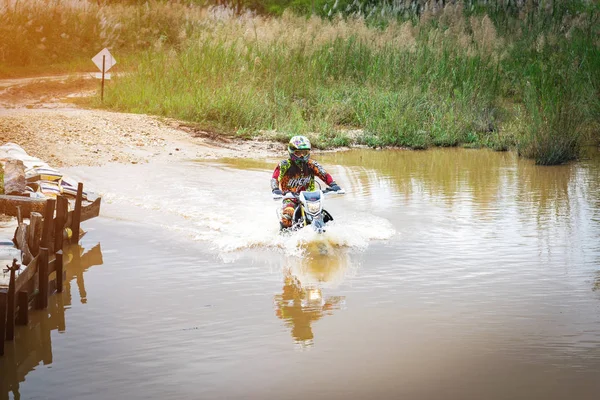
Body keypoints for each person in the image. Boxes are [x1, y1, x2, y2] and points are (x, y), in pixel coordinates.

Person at [271, 135, 342, 230]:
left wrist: (333, 185)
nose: (302, 156)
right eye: (298, 153)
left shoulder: (312, 164)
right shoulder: (284, 165)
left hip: (310, 198)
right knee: (287, 216)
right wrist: (275, 189)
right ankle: (283, 239)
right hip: (290, 198)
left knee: (324, 215)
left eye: (304, 152)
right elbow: (274, 178)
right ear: (291, 151)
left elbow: (324, 174)